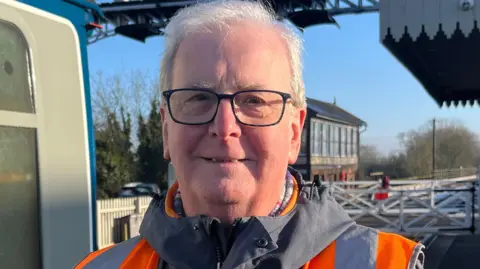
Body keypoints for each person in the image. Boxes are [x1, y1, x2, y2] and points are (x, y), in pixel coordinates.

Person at [75, 0, 425, 268]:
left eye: (254, 100)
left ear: (293, 132)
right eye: (198, 98)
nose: (224, 127)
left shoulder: (388, 262)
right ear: (167, 128)